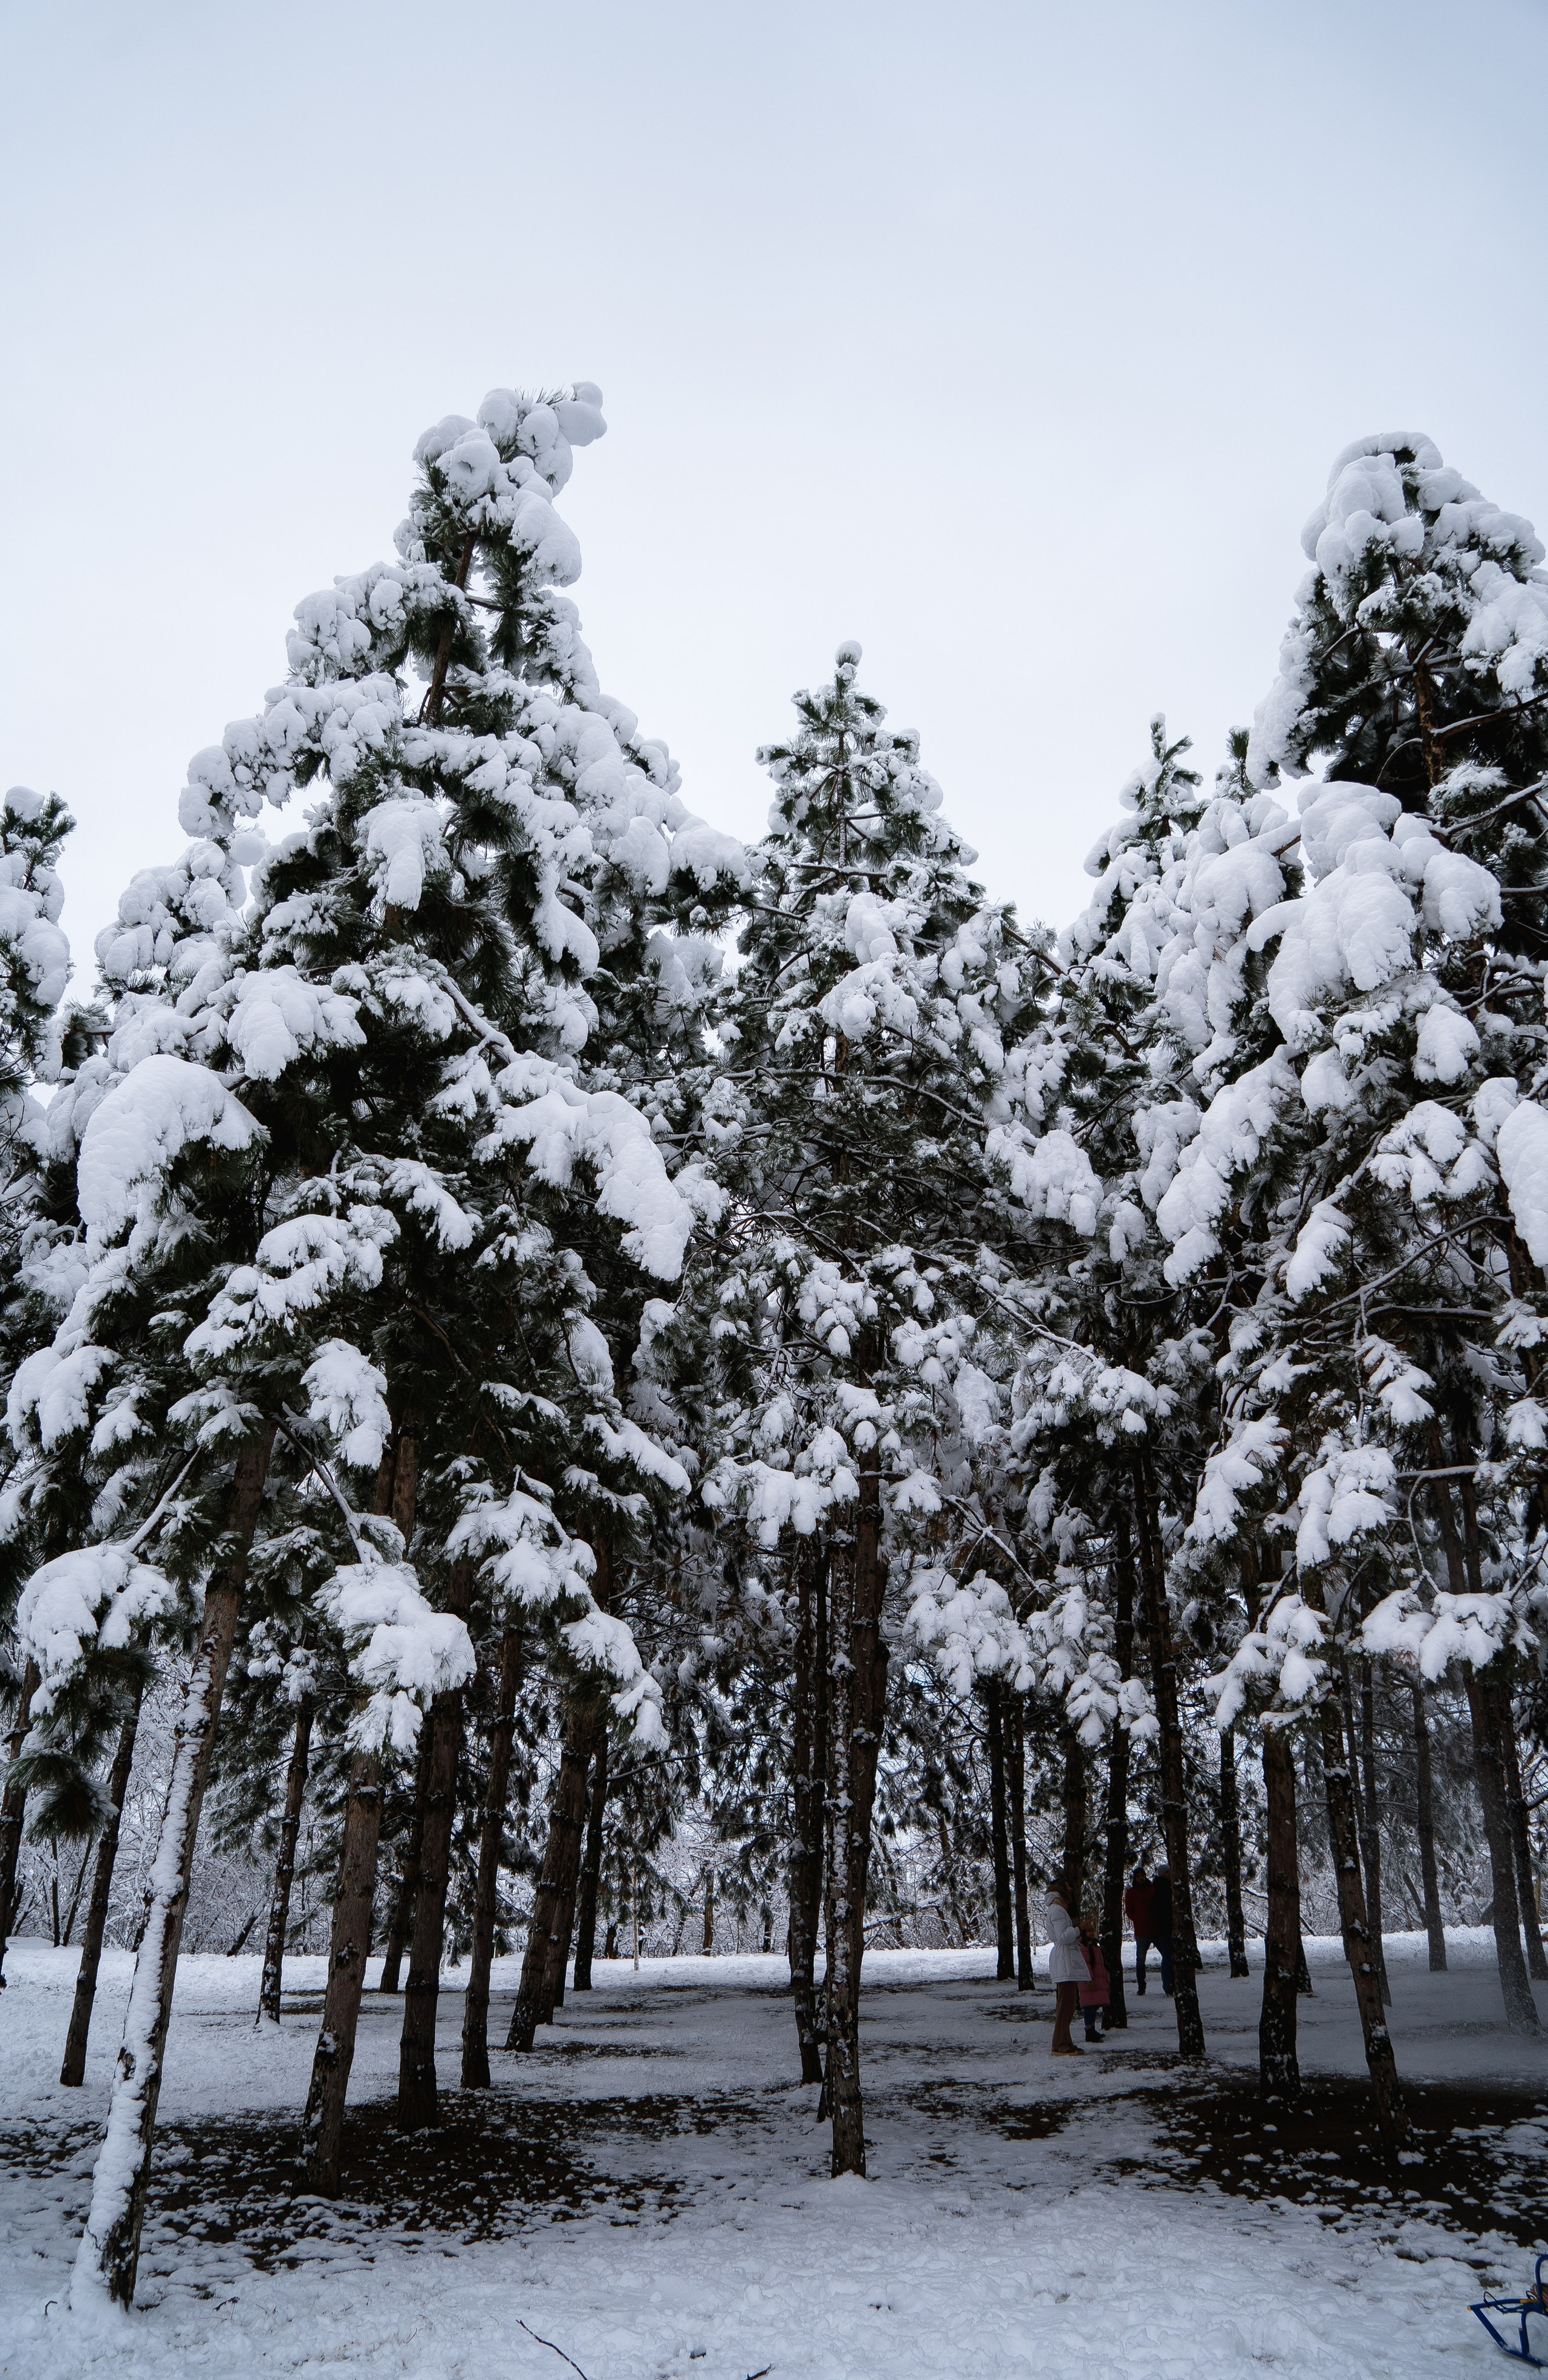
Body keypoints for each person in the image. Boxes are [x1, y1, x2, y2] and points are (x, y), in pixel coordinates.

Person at [1044, 1871, 1089, 2056]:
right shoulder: (1057, 1910)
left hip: (1065, 1960)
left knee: (1068, 2004)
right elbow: (1063, 1937)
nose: (1071, 1889)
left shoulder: (1058, 1910)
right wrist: (1080, 1928)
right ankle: (1059, 2043)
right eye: (1068, 1886)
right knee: (1066, 2004)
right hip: (1064, 1961)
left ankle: (1066, 2041)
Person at [1078, 1906, 1110, 2044]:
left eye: (1092, 1930)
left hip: (1095, 1982)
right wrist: (1089, 1979)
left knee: (1093, 2007)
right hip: (1089, 1983)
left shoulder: (1095, 1946)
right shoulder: (1085, 1948)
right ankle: (1089, 2032)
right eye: (1089, 1930)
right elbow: (1086, 1964)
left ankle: (1092, 2030)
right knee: (1089, 2009)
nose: (1091, 1933)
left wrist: (1106, 1978)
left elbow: (1101, 1965)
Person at [1124, 1864, 1155, 1995]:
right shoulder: (1131, 1893)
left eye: (1143, 1875)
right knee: (1140, 1960)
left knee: (1167, 1956)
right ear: (1135, 1879)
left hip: (1156, 1929)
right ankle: (1141, 1987)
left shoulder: (1153, 1889)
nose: (1141, 1878)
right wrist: (1138, 1919)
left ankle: (1170, 1985)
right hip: (1141, 1931)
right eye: (1138, 1876)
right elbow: (1129, 1911)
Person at [1151, 1865, 1175, 1997]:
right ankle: (1168, 1985)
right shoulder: (1163, 1888)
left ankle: (1170, 1984)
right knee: (1167, 1957)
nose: (1170, 1874)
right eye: (1168, 1872)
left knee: (1168, 1956)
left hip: (1164, 1927)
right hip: (1165, 1928)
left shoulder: (1160, 1887)